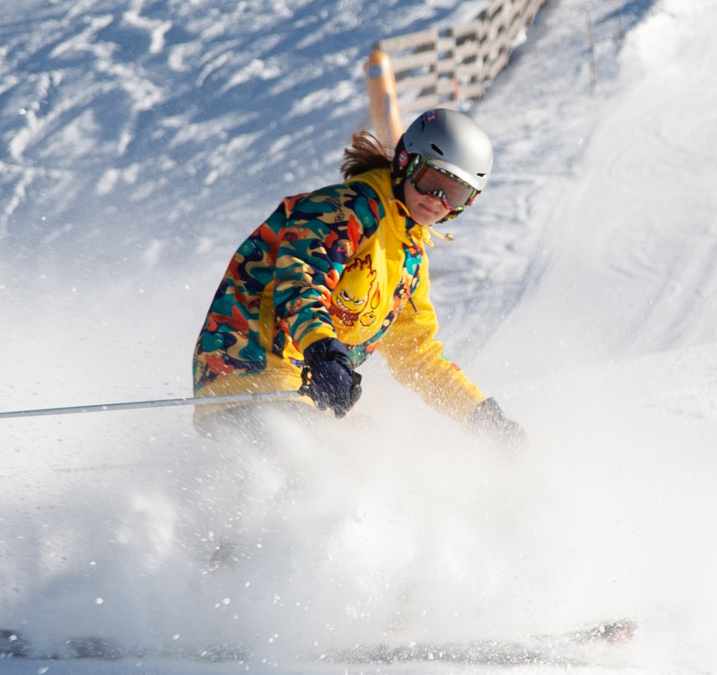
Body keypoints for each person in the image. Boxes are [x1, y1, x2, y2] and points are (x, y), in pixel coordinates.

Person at [191, 107, 526, 446]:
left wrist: (481, 416)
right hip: (252, 368)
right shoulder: (347, 210)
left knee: (376, 455)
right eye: (430, 181)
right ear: (406, 162)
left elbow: (417, 354)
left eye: (453, 193)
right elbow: (301, 283)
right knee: (313, 474)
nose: (436, 200)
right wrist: (324, 354)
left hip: (305, 389)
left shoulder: (409, 258)